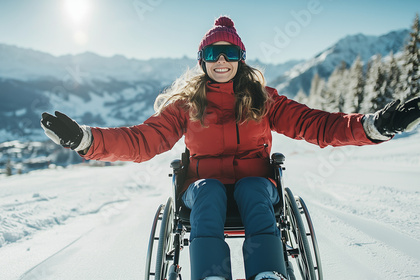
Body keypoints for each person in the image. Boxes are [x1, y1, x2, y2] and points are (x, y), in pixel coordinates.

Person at [41, 16, 420, 280]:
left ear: (241, 58)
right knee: (207, 193)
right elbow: (143, 140)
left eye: (229, 53)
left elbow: (317, 124)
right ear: (202, 61)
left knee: (255, 189)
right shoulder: (186, 106)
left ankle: (268, 274)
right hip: (201, 190)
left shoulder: (263, 99)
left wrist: (375, 126)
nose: (221, 61)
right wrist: (87, 141)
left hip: (256, 185)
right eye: (212, 54)